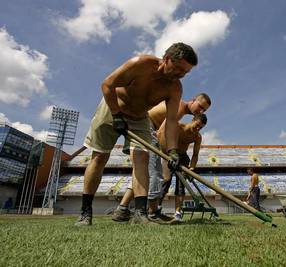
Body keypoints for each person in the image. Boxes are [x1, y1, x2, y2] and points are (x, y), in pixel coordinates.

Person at [75, 42, 198, 226]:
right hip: (113, 107)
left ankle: (140, 214)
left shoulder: (175, 88)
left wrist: (173, 151)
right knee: (100, 157)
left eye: (185, 72)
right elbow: (108, 84)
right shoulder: (141, 64)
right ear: (166, 59)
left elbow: (171, 121)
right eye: (179, 68)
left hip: (140, 117)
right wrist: (116, 115)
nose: (181, 74)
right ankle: (85, 212)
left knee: (142, 157)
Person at [112, 93, 211, 222]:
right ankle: (153, 212)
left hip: (145, 126)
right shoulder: (178, 107)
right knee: (156, 173)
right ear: (193, 100)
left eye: (204, 110)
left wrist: (182, 162)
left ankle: (122, 209)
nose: (200, 111)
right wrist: (169, 155)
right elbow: (161, 132)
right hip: (147, 126)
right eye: (200, 106)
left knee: (143, 173)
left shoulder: (185, 118)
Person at [158, 113, 207, 222]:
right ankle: (157, 208)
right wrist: (169, 155)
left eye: (201, 128)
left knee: (181, 186)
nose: (198, 128)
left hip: (183, 157)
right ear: (193, 120)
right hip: (170, 154)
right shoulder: (178, 127)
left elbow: (195, 155)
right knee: (166, 181)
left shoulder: (197, 137)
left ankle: (178, 213)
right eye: (197, 125)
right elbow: (162, 137)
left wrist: (192, 168)